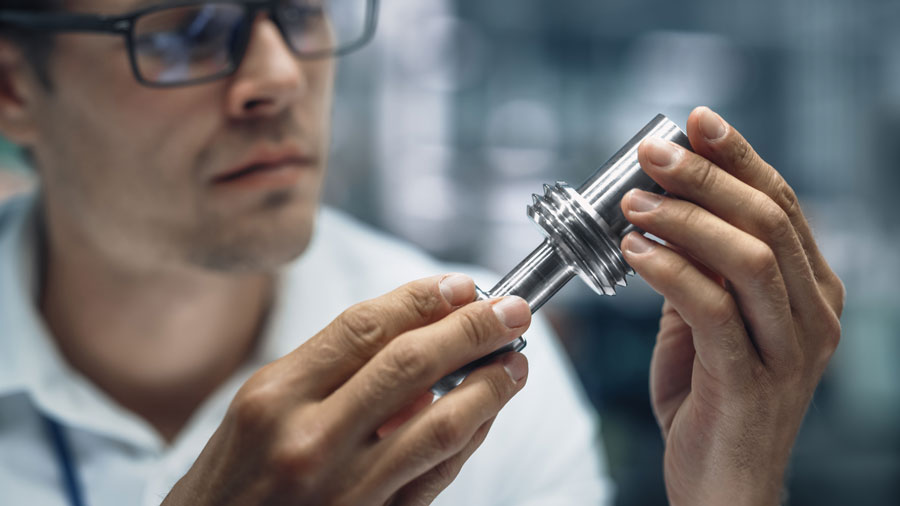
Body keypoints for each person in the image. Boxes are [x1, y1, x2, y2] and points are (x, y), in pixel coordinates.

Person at [0, 1, 844, 505]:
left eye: (296, 11)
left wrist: (733, 492)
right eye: (184, 28)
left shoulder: (510, 399)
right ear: (13, 89)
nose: (280, 76)